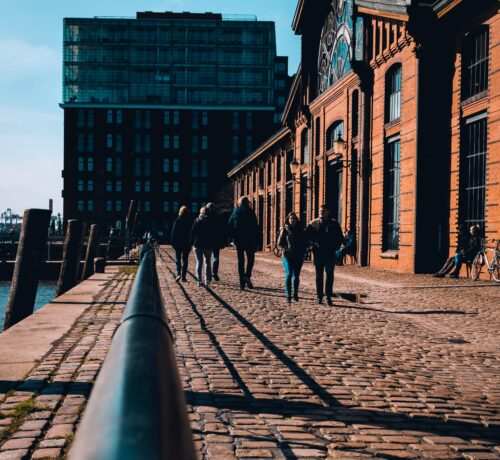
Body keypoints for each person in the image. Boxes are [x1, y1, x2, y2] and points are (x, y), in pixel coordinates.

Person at [306, 204, 344, 306]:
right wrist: (312, 246)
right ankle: (319, 296)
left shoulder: (334, 224)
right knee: (319, 276)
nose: (321, 212)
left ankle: (328, 296)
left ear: (328, 212)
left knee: (330, 275)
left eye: (323, 211)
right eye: (320, 211)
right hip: (318, 254)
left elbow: (340, 238)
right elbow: (306, 237)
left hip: (330, 254)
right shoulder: (313, 224)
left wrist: (335, 248)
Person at [228, 196, 259, 290]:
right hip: (249, 240)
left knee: (241, 261)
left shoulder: (235, 211)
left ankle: (242, 283)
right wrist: (257, 241)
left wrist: (231, 239)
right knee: (251, 259)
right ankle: (247, 275)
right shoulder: (251, 212)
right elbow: (255, 228)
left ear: (239, 203)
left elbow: (230, 225)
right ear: (247, 203)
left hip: (238, 240)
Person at [278, 212, 307, 303]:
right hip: (287, 256)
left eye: (294, 218)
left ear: (297, 220)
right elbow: (279, 243)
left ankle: (295, 294)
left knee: (296, 276)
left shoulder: (301, 230)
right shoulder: (284, 230)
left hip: (298, 256)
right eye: (291, 218)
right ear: (288, 220)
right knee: (289, 274)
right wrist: (283, 249)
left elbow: (305, 242)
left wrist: (304, 251)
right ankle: (288, 296)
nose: (293, 220)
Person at [189, 206, 216, 287]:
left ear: (201, 212)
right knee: (207, 263)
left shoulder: (197, 221)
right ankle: (207, 280)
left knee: (199, 262)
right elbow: (213, 234)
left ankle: (199, 281)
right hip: (208, 245)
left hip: (198, 245)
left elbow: (192, 233)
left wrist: (190, 244)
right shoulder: (211, 221)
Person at [171, 206, 192, 281]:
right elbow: (191, 233)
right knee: (185, 259)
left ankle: (178, 273)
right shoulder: (189, 221)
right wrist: (191, 243)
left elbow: (174, 232)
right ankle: (183, 276)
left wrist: (172, 242)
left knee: (178, 258)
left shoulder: (177, 220)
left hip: (178, 243)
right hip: (186, 243)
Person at [206, 202, 226, 282]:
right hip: (216, 241)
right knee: (216, 257)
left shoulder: (206, 217)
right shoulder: (218, 217)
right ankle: (214, 272)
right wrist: (222, 241)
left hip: (207, 241)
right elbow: (221, 230)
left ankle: (209, 274)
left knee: (208, 258)